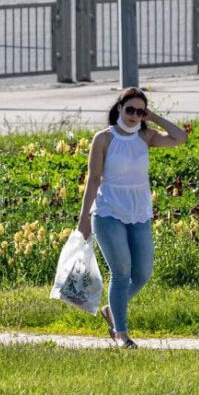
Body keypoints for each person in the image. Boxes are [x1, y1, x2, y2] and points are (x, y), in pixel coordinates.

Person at [77, 87, 188, 348]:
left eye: (140, 112)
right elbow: (93, 179)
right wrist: (83, 218)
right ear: (119, 108)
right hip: (108, 212)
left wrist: (154, 118)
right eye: (130, 110)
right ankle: (121, 333)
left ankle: (112, 310)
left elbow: (180, 137)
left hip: (139, 213)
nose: (134, 116)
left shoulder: (146, 136)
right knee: (122, 272)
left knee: (143, 273)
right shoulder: (103, 138)